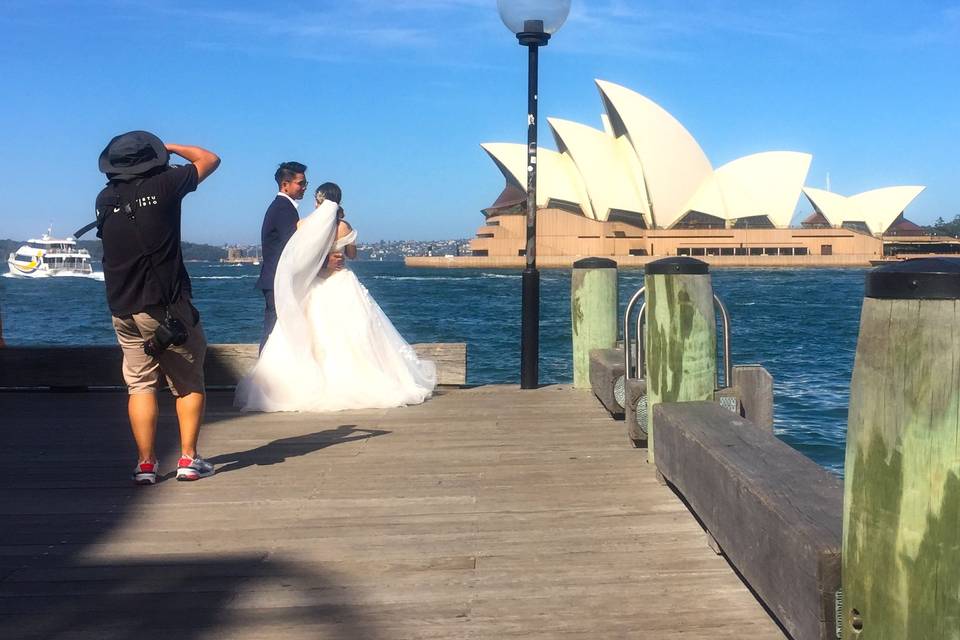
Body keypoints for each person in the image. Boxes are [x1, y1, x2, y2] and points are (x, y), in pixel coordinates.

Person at [235, 182, 436, 412]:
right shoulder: (343, 226)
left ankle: (302, 384)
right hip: (342, 281)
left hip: (317, 282)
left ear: (318, 201)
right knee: (354, 329)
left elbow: (300, 256)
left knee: (314, 328)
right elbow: (352, 254)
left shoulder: (305, 225)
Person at [95, 130, 220, 485]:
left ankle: (146, 465)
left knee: (140, 386)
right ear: (153, 160)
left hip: (122, 307)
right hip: (165, 307)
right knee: (188, 382)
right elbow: (210, 159)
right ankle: (188, 459)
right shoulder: (165, 185)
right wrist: (171, 147)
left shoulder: (104, 198)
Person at [255, 163, 345, 353]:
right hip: (278, 281)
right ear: (285, 184)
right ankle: (263, 378)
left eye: (305, 183)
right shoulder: (283, 209)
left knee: (279, 332)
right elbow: (295, 249)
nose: (305, 187)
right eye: (301, 183)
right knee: (275, 333)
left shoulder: (283, 207)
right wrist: (325, 262)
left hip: (276, 279)